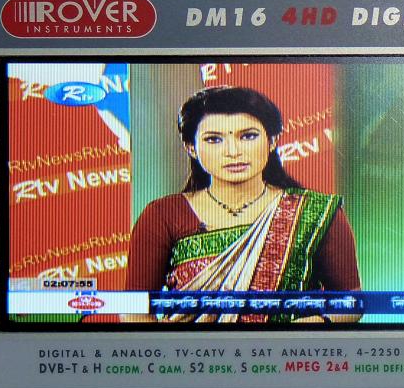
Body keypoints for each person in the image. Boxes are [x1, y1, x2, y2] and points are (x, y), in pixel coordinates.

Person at [125, 86, 360, 323]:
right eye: (214, 139)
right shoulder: (162, 215)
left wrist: (307, 327)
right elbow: (133, 310)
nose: (233, 152)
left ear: (272, 140)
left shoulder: (315, 212)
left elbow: (353, 302)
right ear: (191, 148)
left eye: (248, 136)